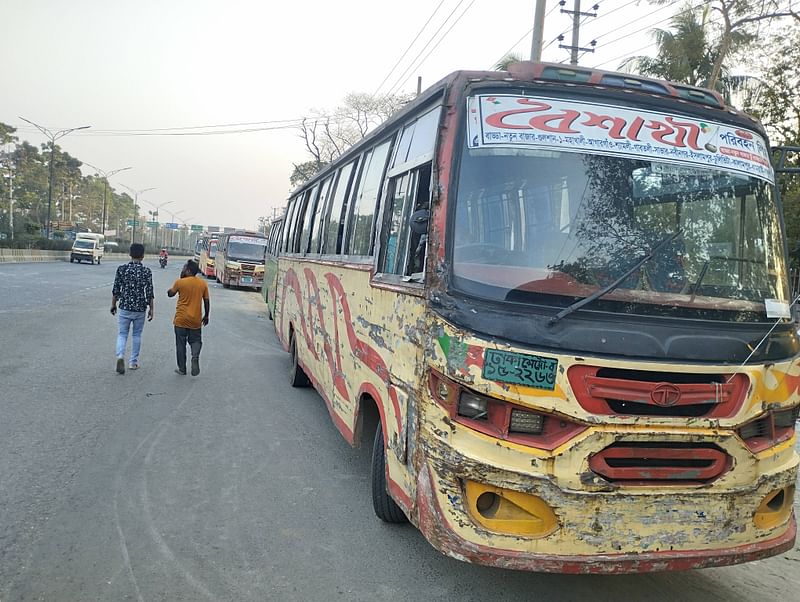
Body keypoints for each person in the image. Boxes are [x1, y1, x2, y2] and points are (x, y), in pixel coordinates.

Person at [111, 243, 154, 373]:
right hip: (140, 309)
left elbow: (116, 290)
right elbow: (150, 292)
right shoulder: (146, 271)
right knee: (136, 335)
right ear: (143, 256)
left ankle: (120, 356)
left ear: (130, 254)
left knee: (122, 334)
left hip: (124, 306)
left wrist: (113, 304)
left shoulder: (122, 269)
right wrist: (151, 309)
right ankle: (133, 362)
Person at [167, 259, 209, 376]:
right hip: (195, 320)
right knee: (195, 340)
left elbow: (171, 294)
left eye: (184, 268)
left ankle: (182, 369)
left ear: (188, 270)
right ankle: (195, 357)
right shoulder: (202, 284)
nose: (183, 269)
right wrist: (207, 316)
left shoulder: (180, 282)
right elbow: (206, 301)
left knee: (180, 344)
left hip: (181, 320)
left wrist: (170, 290)